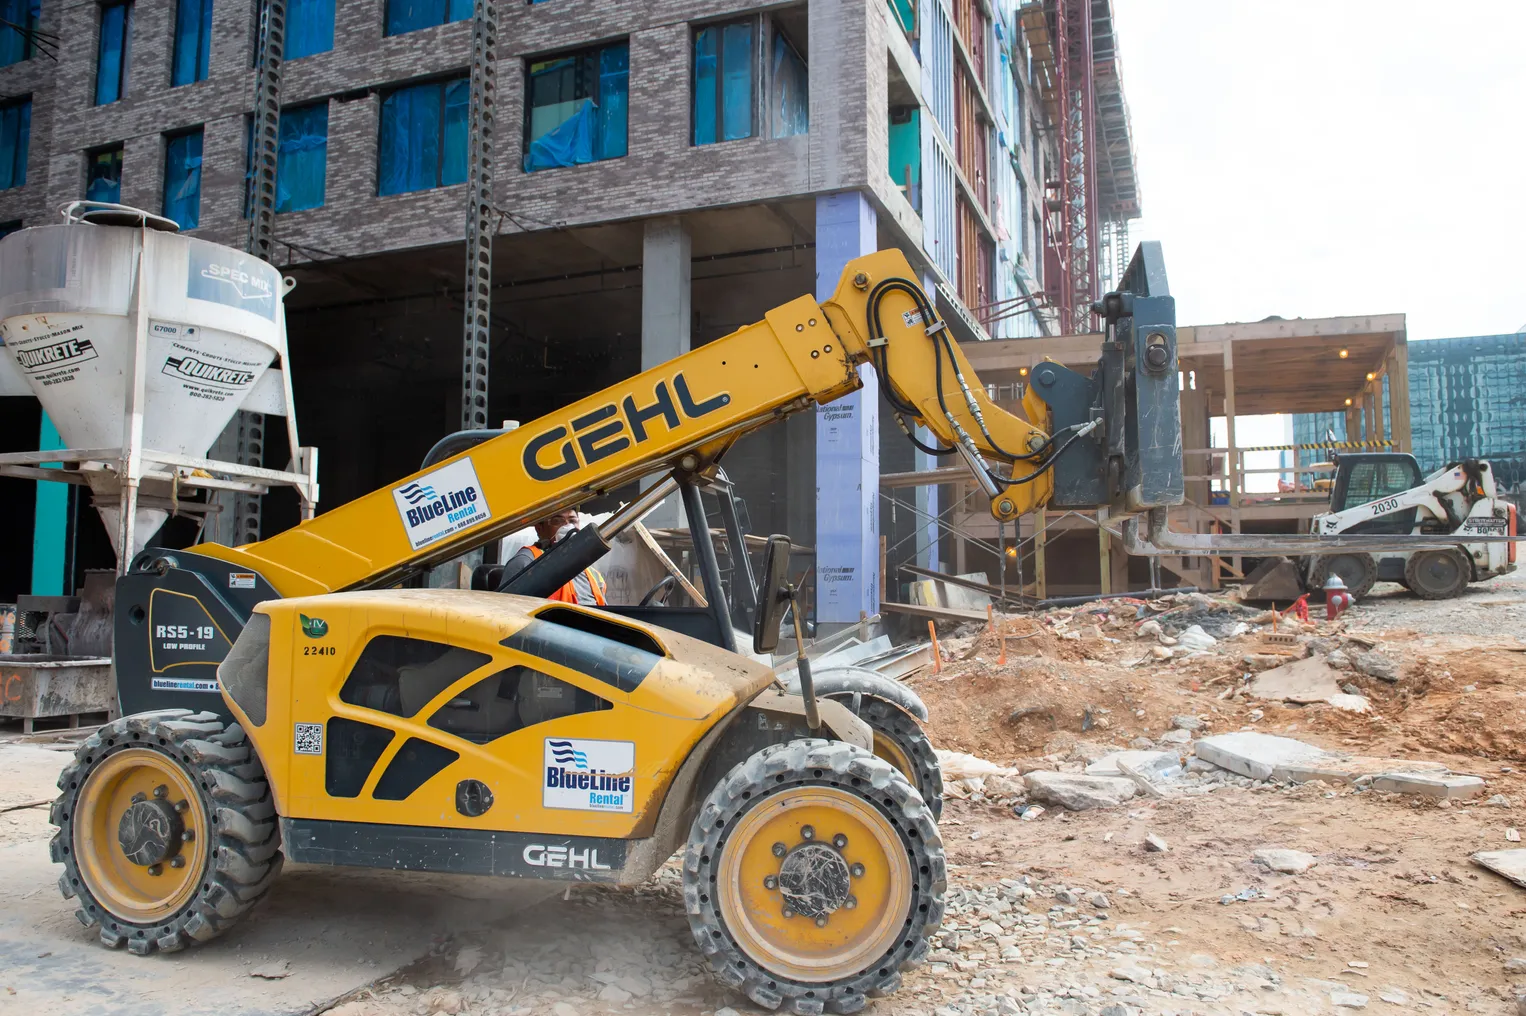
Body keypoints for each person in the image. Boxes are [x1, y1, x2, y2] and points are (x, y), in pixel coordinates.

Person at [503, 508, 607, 606]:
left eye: (572, 521)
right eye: (557, 521)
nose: (567, 526)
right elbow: (507, 612)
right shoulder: (526, 562)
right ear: (539, 528)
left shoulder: (592, 574)